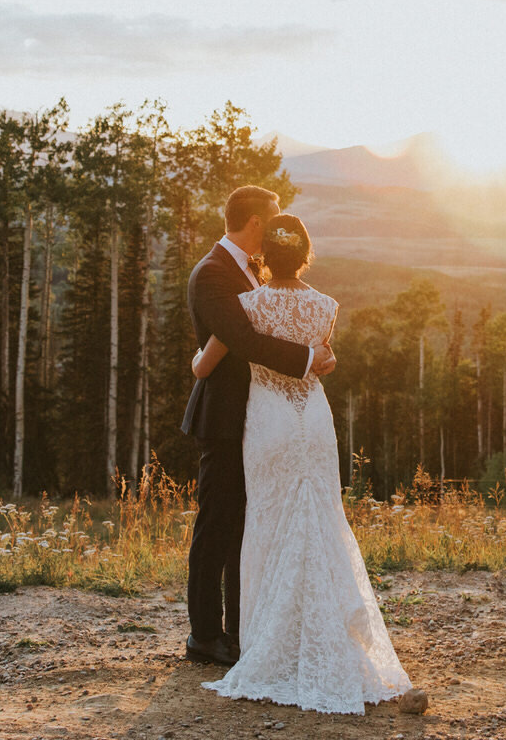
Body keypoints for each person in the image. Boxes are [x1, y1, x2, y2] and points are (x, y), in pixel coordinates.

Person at [192, 213, 413, 715]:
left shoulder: (248, 305)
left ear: (266, 254)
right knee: (321, 521)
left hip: (268, 424)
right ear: (306, 253)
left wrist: (195, 362)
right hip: (313, 421)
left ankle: (272, 640)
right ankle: (330, 635)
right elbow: (324, 362)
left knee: (267, 525)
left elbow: (206, 364)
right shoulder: (326, 307)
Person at [181, 186, 337, 667]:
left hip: (261, 415)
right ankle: (204, 636)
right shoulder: (211, 274)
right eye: (269, 224)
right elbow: (243, 339)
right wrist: (310, 358)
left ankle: (242, 629)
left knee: (248, 526)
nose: (273, 232)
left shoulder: (251, 272)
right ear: (254, 224)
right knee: (216, 526)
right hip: (225, 418)